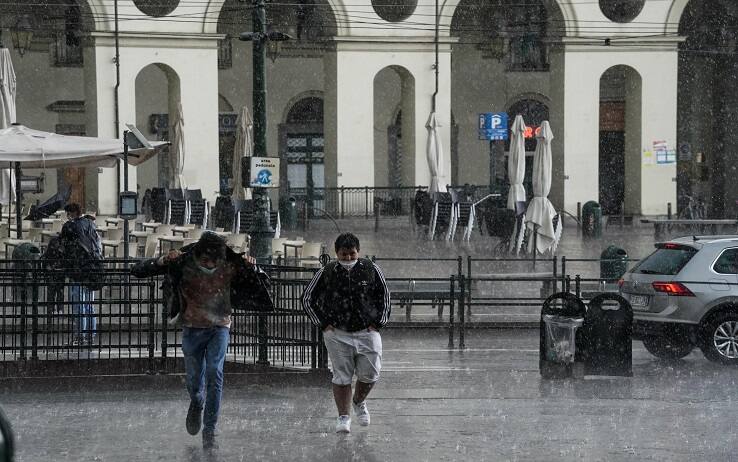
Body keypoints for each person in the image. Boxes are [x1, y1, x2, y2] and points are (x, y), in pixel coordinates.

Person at [131, 231, 273, 450]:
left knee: (215, 372)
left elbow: (264, 283)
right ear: (197, 254)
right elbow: (139, 270)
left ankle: (210, 430)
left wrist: (253, 266)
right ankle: (196, 402)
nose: (210, 264)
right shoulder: (182, 261)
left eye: (214, 261)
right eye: (205, 260)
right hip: (192, 327)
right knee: (194, 382)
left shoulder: (232, 262)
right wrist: (162, 260)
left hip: (219, 326)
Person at [301, 233, 391, 434]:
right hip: (337, 332)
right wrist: (323, 324)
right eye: (344, 254)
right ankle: (343, 416)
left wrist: (378, 323)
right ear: (336, 253)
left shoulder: (371, 269)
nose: (348, 259)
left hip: (367, 331)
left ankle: (358, 401)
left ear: (358, 252)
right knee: (342, 376)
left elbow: (384, 296)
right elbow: (308, 298)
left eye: (352, 254)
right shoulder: (328, 271)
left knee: (371, 372)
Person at [59, 203, 102, 346]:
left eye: (68, 213)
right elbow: (98, 245)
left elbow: (63, 248)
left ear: (71, 213)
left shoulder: (69, 227)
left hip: (78, 270)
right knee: (90, 304)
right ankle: (91, 335)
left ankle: (79, 336)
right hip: (93, 268)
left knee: (79, 305)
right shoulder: (91, 225)